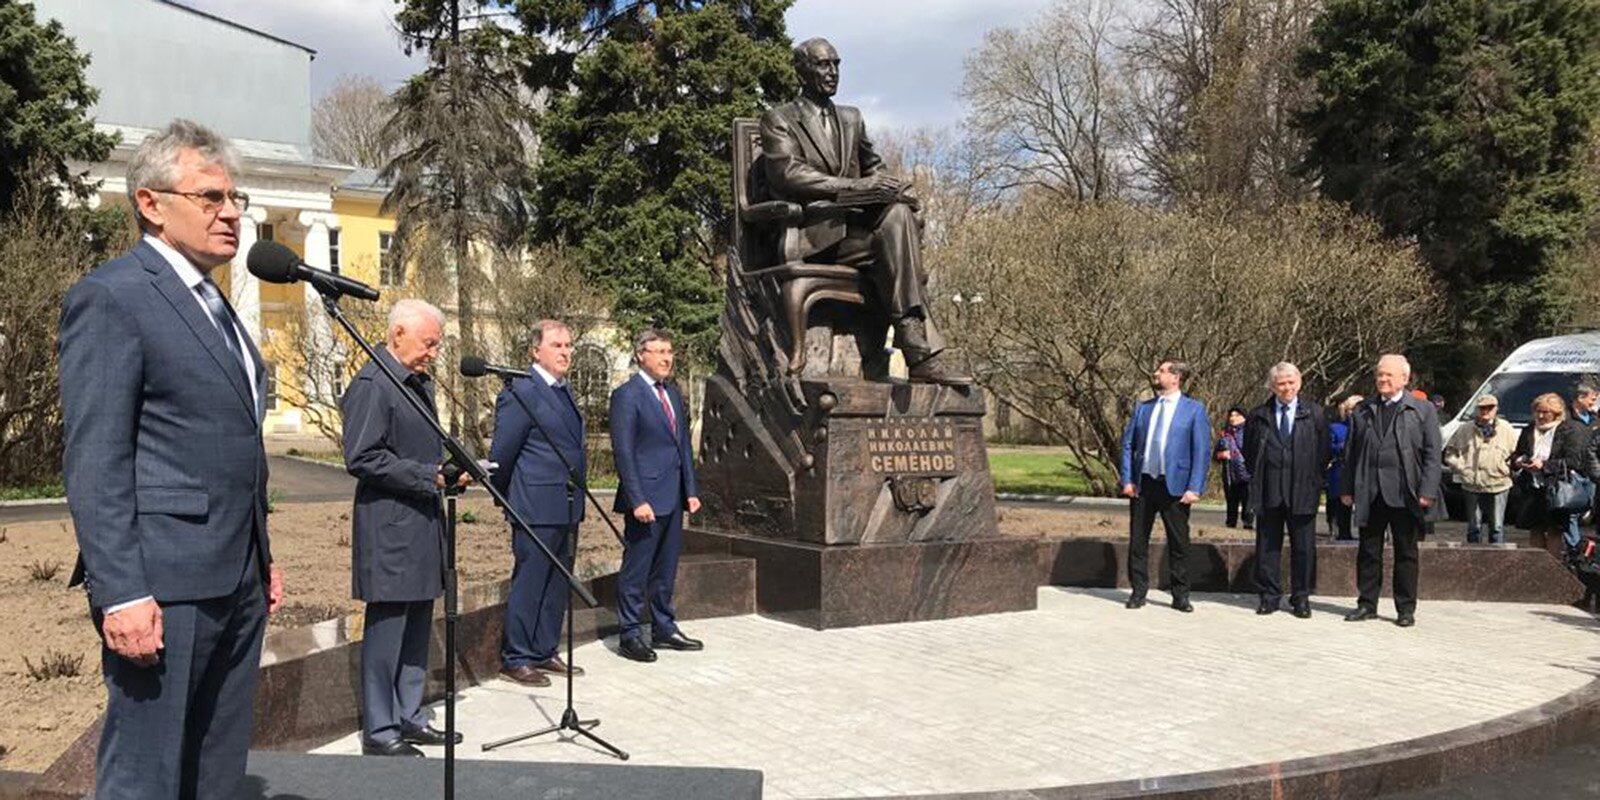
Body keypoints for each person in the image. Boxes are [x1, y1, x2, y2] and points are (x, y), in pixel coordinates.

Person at [58, 119, 285, 798]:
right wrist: (121, 591)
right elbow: (96, 457)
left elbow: (230, 440)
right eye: (211, 197)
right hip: (163, 583)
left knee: (214, 767)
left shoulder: (216, 304)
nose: (233, 213)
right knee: (146, 773)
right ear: (151, 204)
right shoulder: (113, 298)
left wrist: (261, 555)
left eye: (235, 197)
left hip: (236, 577)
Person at [760, 37, 968, 386]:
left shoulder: (852, 118)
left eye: (836, 64)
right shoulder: (779, 119)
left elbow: (875, 168)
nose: (832, 72)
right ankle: (917, 349)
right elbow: (788, 174)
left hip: (858, 235)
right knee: (899, 243)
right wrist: (857, 188)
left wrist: (897, 190)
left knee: (900, 214)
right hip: (817, 236)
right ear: (801, 70)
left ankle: (914, 347)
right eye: (822, 65)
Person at [341, 299, 466, 757]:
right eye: (428, 342)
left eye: (437, 344)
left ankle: (410, 715)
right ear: (397, 334)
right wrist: (427, 476)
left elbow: (414, 447)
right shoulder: (374, 383)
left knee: (416, 625)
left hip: (421, 522)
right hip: (390, 528)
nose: (433, 352)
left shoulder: (416, 384)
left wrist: (449, 472)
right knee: (388, 629)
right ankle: (380, 728)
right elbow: (362, 456)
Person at [489, 320, 587, 687]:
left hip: (565, 503)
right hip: (533, 504)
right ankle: (516, 656)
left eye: (568, 345)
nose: (566, 352)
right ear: (535, 351)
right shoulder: (521, 391)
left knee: (557, 582)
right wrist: (509, 499)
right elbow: (502, 454)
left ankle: (544, 648)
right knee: (531, 581)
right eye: (557, 345)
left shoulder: (564, 390)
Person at [609, 330, 704, 663]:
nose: (667, 358)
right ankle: (630, 634)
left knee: (666, 569)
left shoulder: (673, 394)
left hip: (673, 497)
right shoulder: (627, 395)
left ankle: (664, 628)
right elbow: (624, 452)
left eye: (670, 351)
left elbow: (681, 448)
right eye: (659, 351)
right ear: (641, 356)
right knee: (637, 569)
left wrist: (690, 491)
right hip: (645, 501)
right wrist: (637, 499)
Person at [1340, 354, 1442, 628]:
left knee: (1406, 552)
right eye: (1379, 375)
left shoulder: (1422, 410)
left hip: (1405, 491)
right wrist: (1347, 488)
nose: (1382, 380)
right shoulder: (1363, 410)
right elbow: (1350, 453)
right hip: (1370, 491)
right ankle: (1366, 604)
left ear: (1404, 378)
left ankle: (1405, 608)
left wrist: (1428, 490)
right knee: (1368, 551)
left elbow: (1433, 454)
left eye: (1388, 375)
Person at [1118, 360, 1212, 612]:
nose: (1156, 374)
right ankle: (1139, 591)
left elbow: (1201, 450)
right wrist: (1127, 479)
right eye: (1157, 370)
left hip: (1176, 487)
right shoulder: (1143, 408)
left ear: (1176, 377)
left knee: (1179, 543)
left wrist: (1195, 487)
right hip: (1144, 484)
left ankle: (1180, 595)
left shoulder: (1193, 409)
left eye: (1161, 371)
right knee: (1138, 541)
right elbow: (1128, 445)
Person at [1243, 363, 1330, 618]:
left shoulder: (1314, 413)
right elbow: (1250, 452)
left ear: (1299, 383)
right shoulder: (1259, 415)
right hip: (1269, 490)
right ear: (1272, 386)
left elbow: (1323, 452)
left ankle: (1301, 597)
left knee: (1304, 548)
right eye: (1281, 383)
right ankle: (1269, 596)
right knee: (1267, 547)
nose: (1287, 388)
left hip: (1303, 490)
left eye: (1291, 382)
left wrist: (1314, 479)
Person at [1511, 393, 1590, 558]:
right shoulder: (1529, 429)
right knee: (1535, 528)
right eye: (1538, 411)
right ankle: (1537, 566)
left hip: (1557, 487)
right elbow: (1519, 453)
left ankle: (1553, 568)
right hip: (1532, 487)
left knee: (1555, 530)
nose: (1540, 416)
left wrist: (1545, 465)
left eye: (1546, 412)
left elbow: (1574, 461)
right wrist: (1518, 461)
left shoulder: (1571, 429)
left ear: (1556, 412)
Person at [1442, 394, 1518, 545]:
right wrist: (1462, 468)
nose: (1486, 411)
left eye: (1490, 408)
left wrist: (1506, 468)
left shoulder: (1507, 429)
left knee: (1496, 527)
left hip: (1499, 483)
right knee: (1473, 527)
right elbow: (1449, 453)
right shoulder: (1464, 429)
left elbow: (1516, 454)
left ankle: (1497, 560)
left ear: (1496, 409)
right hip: (1471, 484)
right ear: (1477, 409)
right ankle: (1473, 561)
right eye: (1482, 408)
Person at [1327, 395, 1362, 541]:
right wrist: (1342, 446)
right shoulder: (1336, 428)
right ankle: (1342, 531)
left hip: (1361, 469)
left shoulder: (1367, 423)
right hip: (1341, 468)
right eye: (1352, 409)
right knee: (1341, 504)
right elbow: (1328, 447)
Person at [1215, 406, 1252, 529]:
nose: (1233, 418)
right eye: (1231, 415)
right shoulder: (1224, 434)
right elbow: (1215, 455)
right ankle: (1230, 524)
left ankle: (1248, 524)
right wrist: (1221, 455)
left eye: (1236, 415)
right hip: (1230, 474)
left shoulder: (1250, 431)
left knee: (1248, 502)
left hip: (1247, 473)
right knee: (1231, 502)